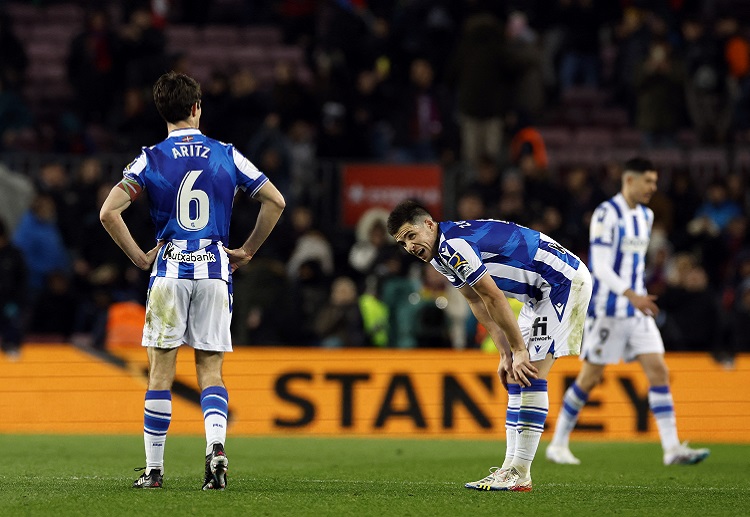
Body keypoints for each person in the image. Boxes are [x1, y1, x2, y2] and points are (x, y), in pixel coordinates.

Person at [99, 71, 285, 490]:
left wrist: (138, 257)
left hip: (168, 270)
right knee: (211, 370)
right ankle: (215, 449)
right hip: (216, 270)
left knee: (160, 374)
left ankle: (154, 470)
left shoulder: (149, 157)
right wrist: (248, 250)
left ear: (161, 110)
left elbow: (108, 212)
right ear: (197, 107)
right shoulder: (226, 153)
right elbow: (276, 200)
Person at [387, 200, 593, 492]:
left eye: (411, 235)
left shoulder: (453, 246)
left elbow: (494, 296)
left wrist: (520, 351)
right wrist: (505, 353)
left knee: (530, 372)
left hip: (563, 282)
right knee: (514, 373)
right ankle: (509, 469)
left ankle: (520, 472)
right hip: (538, 293)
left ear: (429, 225)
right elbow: (475, 299)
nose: (409, 246)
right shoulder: (438, 256)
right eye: (402, 242)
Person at [546, 157, 710, 467]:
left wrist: (642, 291)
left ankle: (672, 448)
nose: (653, 187)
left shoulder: (646, 216)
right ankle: (557, 443)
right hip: (609, 310)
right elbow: (602, 267)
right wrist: (631, 294)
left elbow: (634, 264)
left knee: (658, 370)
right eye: (648, 181)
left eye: (654, 181)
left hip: (638, 310)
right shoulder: (607, 214)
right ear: (629, 180)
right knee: (590, 378)